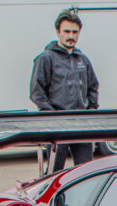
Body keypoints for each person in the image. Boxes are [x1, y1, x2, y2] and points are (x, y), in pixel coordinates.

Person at [30, 11, 99, 172]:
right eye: (66, 31)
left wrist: (90, 111)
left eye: (75, 32)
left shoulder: (83, 59)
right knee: (55, 173)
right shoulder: (46, 58)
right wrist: (53, 116)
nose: (71, 36)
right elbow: (36, 92)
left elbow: (93, 87)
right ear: (58, 32)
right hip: (57, 128)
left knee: (86, 171)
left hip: (82, 126)